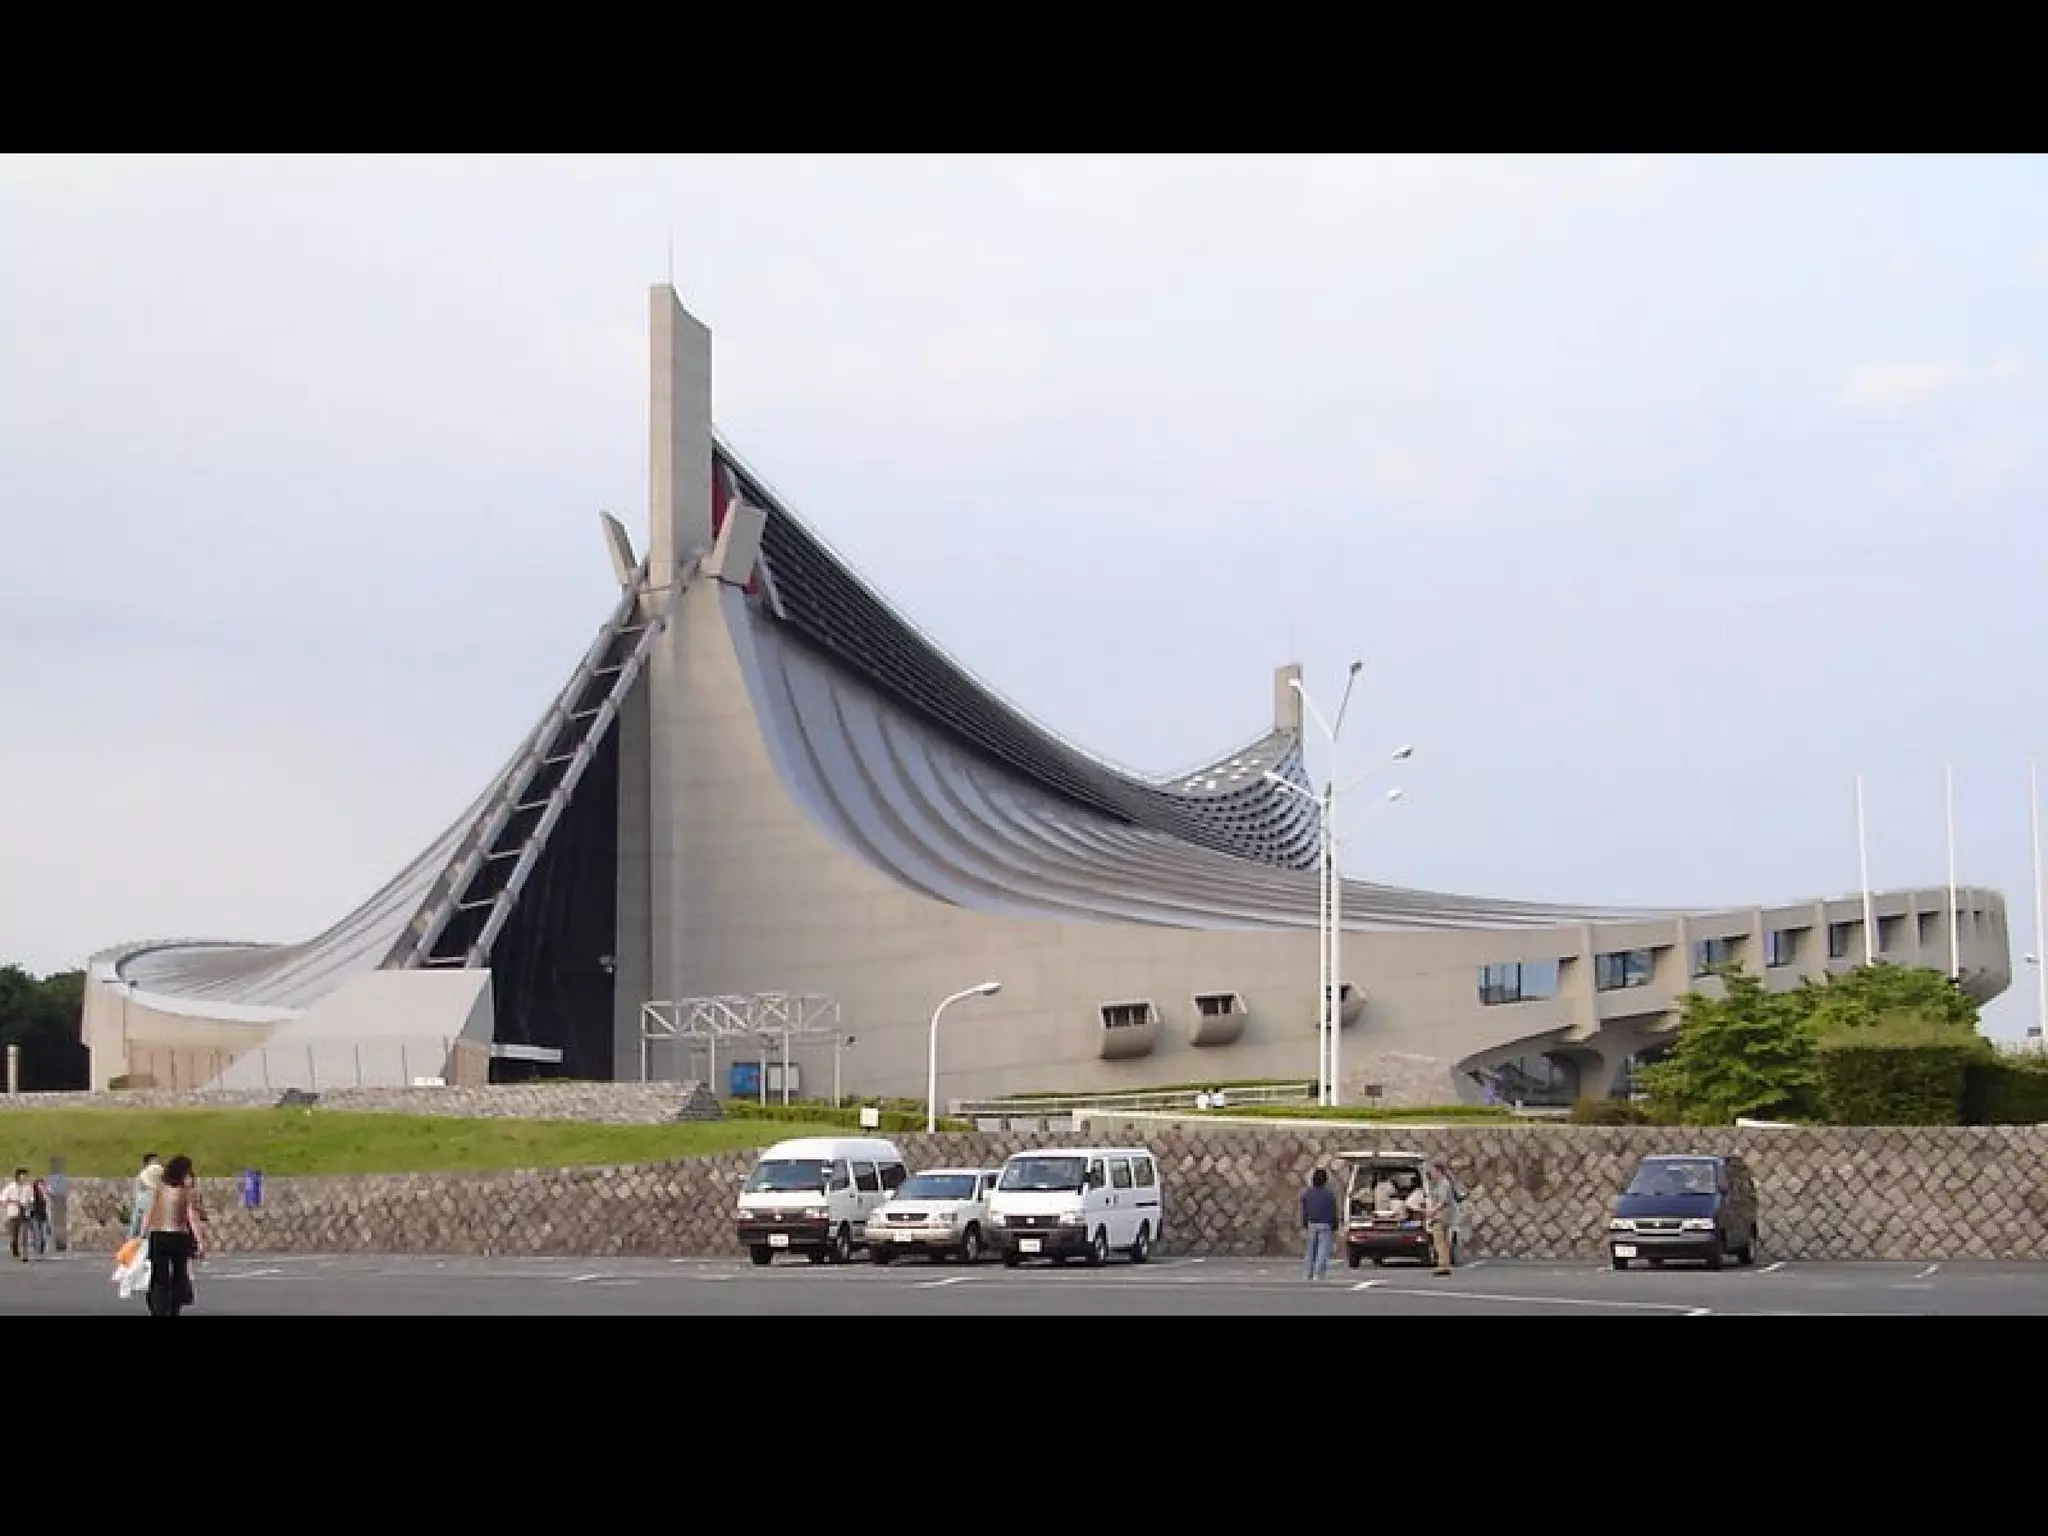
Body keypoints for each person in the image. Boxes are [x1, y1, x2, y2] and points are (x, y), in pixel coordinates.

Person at [143, 1155, 206, 1316]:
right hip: (179, 1236)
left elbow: (149, 1212)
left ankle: (158, 1308)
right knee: (179, 1273)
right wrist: (199, 1241)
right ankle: (174, 1307)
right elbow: (192, 1217)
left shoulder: (159, 1190)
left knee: (159, 1275)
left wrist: (142, 1233)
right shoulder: (186, 1193)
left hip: (158, 1235)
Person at [1422, 1158, 1461, 1276]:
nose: (1431, 1173)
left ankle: (1443, 1265)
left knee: (1439, 1241)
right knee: (1444, 1241)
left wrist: (1432, 1211)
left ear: (1438, 1171)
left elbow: (1443, 1201)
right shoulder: (1445, 1182)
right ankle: (1445, 1264)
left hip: (1441, 1215)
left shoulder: (1443, 1183)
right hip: (1446, 1215)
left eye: (1433, 1171)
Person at [1300, 1167, 1339, 1281]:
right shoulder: (1329, 1195)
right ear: (1325, 1180)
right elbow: (1333, 1211)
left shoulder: (1307, 1194)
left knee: (1310, 1251)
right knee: (1322, 1250)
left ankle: (1308, 1273)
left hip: (1311, 1224)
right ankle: (1318, 1273)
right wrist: (1335, 1225)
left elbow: (1304, 1211)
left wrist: (1304, 1224)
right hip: (1325, 1225)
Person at [127, 1152, 163, 1241]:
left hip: (145, 1203)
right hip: (146, 1202)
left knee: (138, 1224)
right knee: (139, 1223)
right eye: (155, 1161)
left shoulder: (146, 1176)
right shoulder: (146, 1176)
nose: (158, 1162)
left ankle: (134, 1238)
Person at [0, 1168, 30, 1262]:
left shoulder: (28, 1188)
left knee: (24, 1235)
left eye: (25, 1176)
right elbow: (3, 1199)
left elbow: (31, 1199)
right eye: (22, 1176)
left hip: (24, 1214)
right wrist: (13, 1202)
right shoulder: (10, 1187)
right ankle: (15, 1250)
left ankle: (24, 1255)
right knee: (14, 1236)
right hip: (13, 1213)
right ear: (18, 1177)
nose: (24, 1178)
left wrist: (28, 1205)